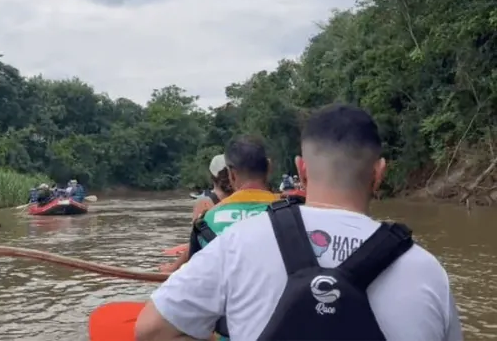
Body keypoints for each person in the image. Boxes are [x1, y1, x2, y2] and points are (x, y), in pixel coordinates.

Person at [135, 104, 463, 341]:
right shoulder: (427, 270)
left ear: (301, 169)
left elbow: (149, 331)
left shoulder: (237, 244)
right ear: (379, 173)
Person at [163, 137, 281, 341]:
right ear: (269, 168)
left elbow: (193, 283)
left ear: (232, 174)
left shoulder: (207, 220)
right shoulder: (297, 212)